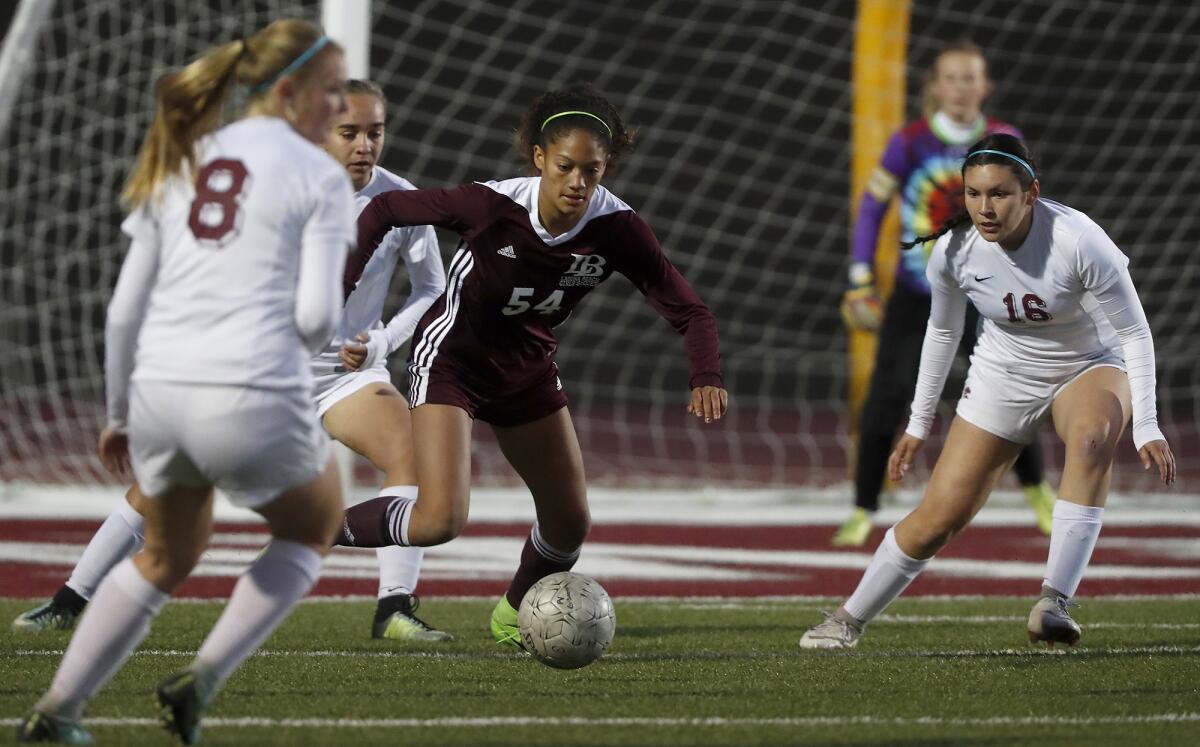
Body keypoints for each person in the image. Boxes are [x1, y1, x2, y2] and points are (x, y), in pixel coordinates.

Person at [12, 79, 453, 644]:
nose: (365, 144)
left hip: (345, 376)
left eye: (375, 132)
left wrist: (382, 342)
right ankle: (71, 598)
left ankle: (394, 608)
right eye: (351, 132)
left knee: (411, 453)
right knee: (163, 483)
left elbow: (430, 291)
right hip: (262, 371)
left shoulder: (401, 202)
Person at [19, 19, 356, 744]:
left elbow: (121, 313)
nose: (342, 108)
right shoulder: (319, 174)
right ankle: (200, 678)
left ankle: (60, 710)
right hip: (249, 390)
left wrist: (117, 413)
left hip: (159, 392)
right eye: (332, 92)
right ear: (290, 91)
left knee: (165, 554)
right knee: (312, 525)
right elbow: (319, 314)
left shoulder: (184, 155)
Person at [333, 83, 728, 648]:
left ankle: (514, 612)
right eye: (565, 166)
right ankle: (318, 528)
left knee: (570, 522)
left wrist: (706, 375)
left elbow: (691, 311)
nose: (578, 183)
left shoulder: (618, 228)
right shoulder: (492, 205)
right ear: (540, 158)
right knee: (439, 519)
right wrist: (345, 282)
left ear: (606, 166)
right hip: (453, 361)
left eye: (592, 170)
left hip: (528, 371)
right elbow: (386, 207)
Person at [802, 133, 1175, 651]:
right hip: (1004, 372)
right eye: (973, 194)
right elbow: (942, 333)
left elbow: (1134, 333)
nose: (984, 208)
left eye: (999, 194)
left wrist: (1147, 424)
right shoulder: (954, 252)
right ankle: (847, 619)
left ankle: (1052, 602)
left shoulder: (1079, 239)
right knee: (941, 515)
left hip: (1088, 363)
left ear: (1031, 193)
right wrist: (918, 423)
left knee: (1092, 438)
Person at [835, 40, 1056, 547]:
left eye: (970, 77)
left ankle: (1039, 491)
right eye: (951, 78)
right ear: (935, 87)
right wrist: (860, 279)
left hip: (989, 294)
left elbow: (1032, 211)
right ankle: (863, 508)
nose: (961, 87)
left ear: (985, 86)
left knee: (1015, 396)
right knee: (885, 398)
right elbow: (872, 208)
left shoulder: (1005, 140)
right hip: (918, 293)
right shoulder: (909, 141)